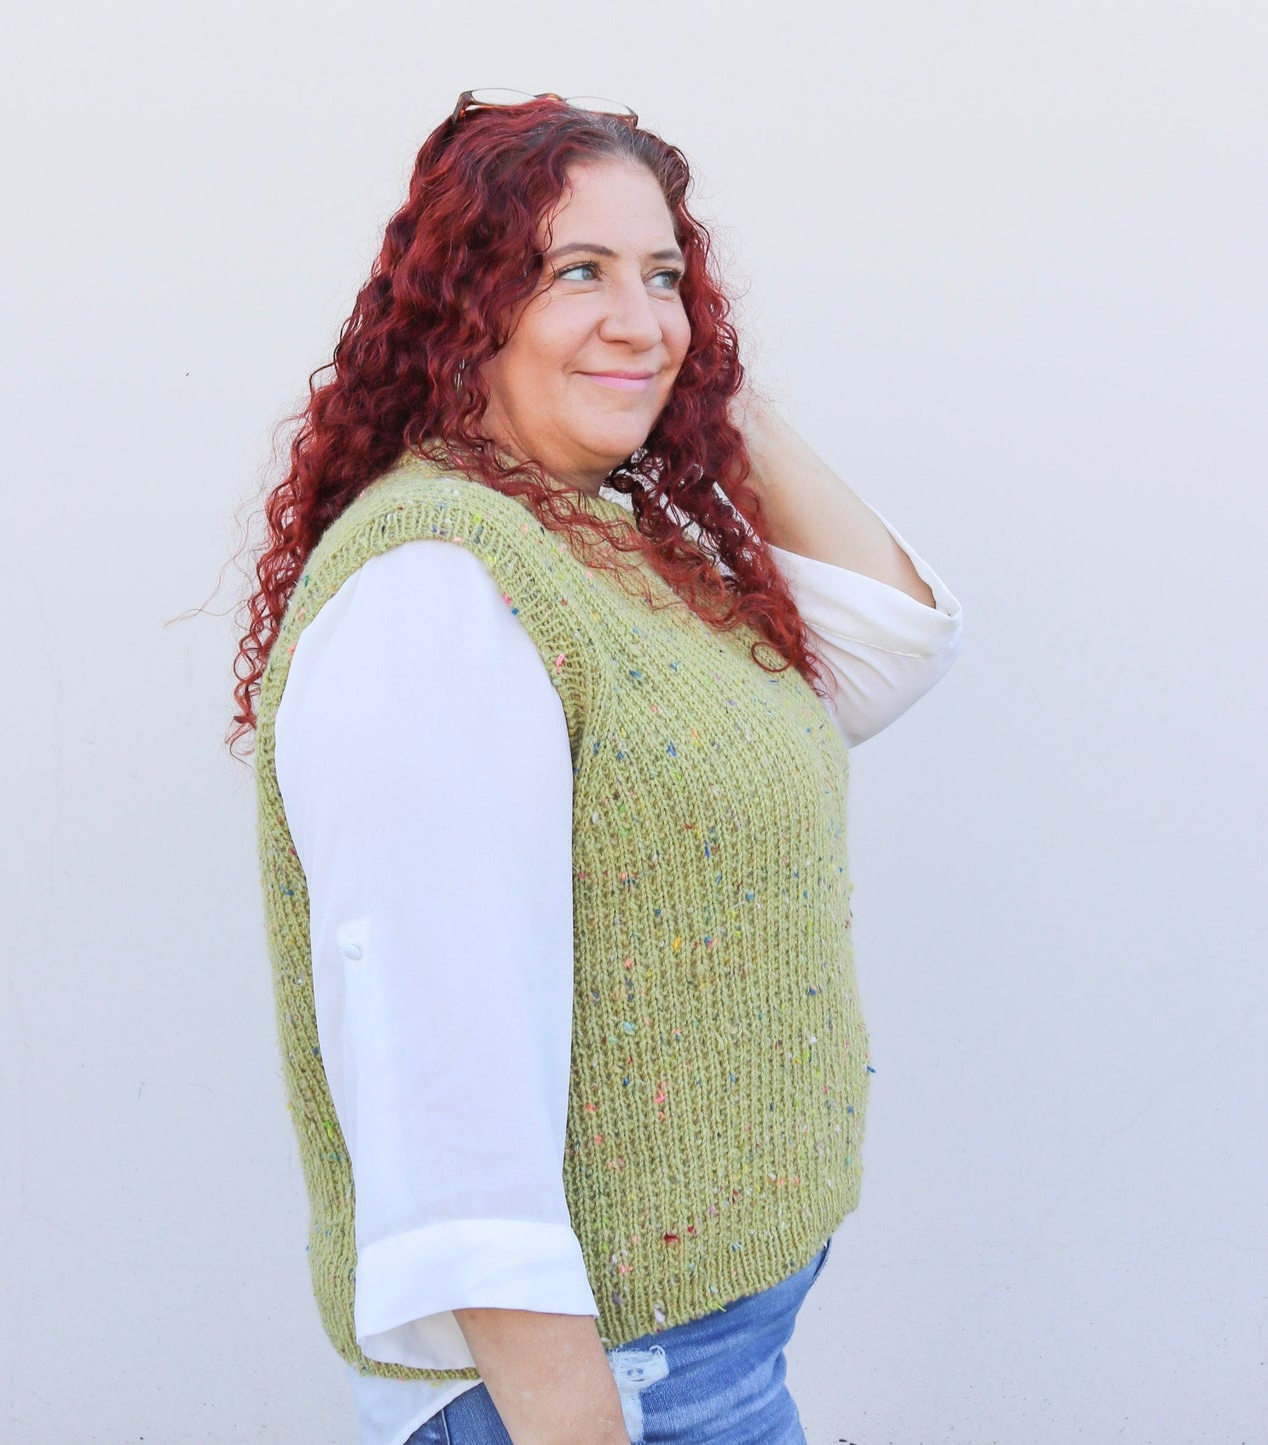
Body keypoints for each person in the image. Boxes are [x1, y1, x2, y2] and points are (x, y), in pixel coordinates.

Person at [232, 90, 962, 1445]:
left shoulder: (602, 533)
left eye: (665, 277)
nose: (642, 318)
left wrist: (698, 374)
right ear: (466, 306)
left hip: (699, 1356)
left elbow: (887, 644)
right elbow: (440, 1077)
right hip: (603, 1390)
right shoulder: (439, 584)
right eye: (577, 271)